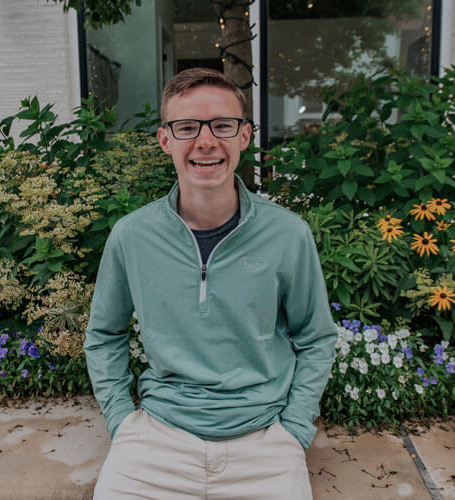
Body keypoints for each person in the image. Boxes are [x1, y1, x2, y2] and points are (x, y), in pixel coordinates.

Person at [84, 68, 338, 500]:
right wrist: (120, 419)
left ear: (244, 136)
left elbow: (316, 337)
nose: (206, 141)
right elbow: (104, 334)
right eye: (187, 127)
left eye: (223, 125)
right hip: (155, 440)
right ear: (165, 140)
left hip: (265, 442)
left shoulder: (287, 234)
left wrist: (294, 429)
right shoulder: (132, 235)